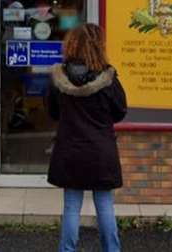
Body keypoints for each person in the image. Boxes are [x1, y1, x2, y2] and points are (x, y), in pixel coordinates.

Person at [47, 22, 128, 252]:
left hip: (70, 151)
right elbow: (120, 111)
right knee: (105, 206)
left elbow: (52, 112)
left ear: (71, 45)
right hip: (101, 152)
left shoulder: (59, 79)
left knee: (71, 207)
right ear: (98, 46)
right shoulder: (108, 79)